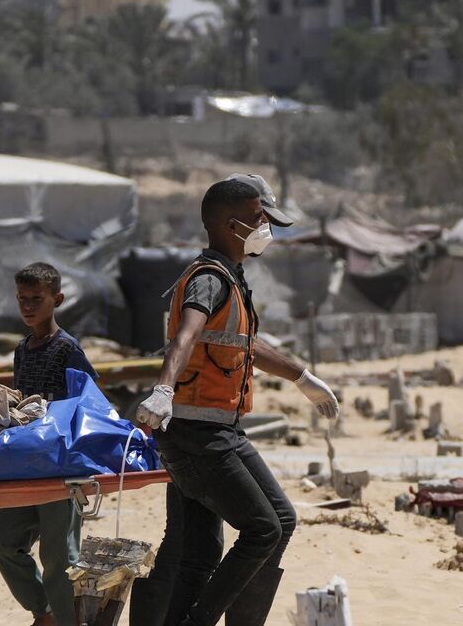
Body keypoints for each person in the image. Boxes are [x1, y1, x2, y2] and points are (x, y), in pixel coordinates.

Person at [128, 175, 339, 626]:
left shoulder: (231, 278)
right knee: (264, 528)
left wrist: (301, 376)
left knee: (213, 548)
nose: (267, 229)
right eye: (260, 219)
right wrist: (164, 389)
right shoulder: (209, 279)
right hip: (196, 432)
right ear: (230, 224)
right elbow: (186, 335)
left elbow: (245, 344)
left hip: (216, 429)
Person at [0, 262, 97, 626]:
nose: (28, 306)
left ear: (58, 299)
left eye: (37, 299)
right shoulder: (22, 349)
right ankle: (45, 612)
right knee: (3, 543)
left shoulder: (68, 349)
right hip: (26, 464)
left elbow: (91, 402)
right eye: (22, 299)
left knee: (60, 558)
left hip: (61, 468)